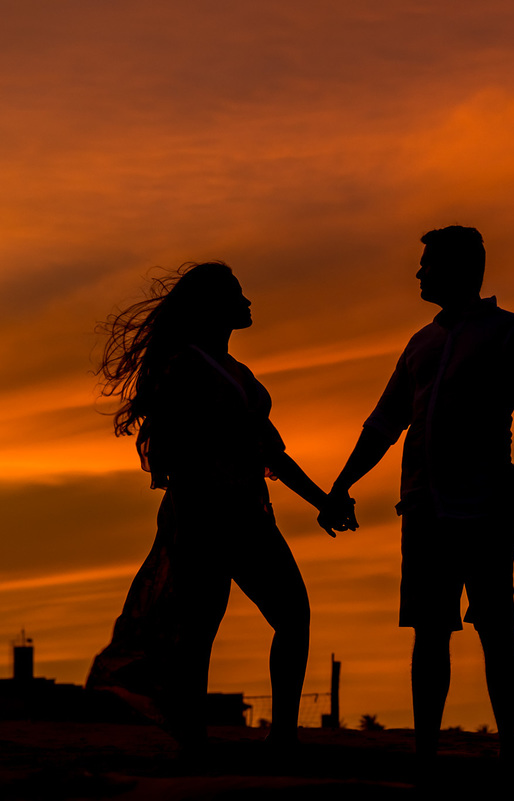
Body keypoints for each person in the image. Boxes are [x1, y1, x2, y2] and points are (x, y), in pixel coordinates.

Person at [320, 226, 514, 760]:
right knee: (429, 631)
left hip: (485, 505)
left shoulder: (509, 333)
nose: (419, 273)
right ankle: (427, 752)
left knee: (496, 625)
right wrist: (343, 482)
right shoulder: (421, 343)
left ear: (460, 268)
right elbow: (385, 422)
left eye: (428, 264)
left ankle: (509, 749)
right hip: (424, 506)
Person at [88, 261, 336, 751]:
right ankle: (194, 736)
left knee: (286, 615)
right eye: (238, 296)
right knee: (201, 628)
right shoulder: (184, 365)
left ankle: (278, 732)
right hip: (203, 514)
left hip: (246, 511)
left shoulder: (235, 372)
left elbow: (270, 451)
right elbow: (172, 448)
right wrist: (191, 515)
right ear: (214, 308)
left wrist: (321, 501)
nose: (248, 304)